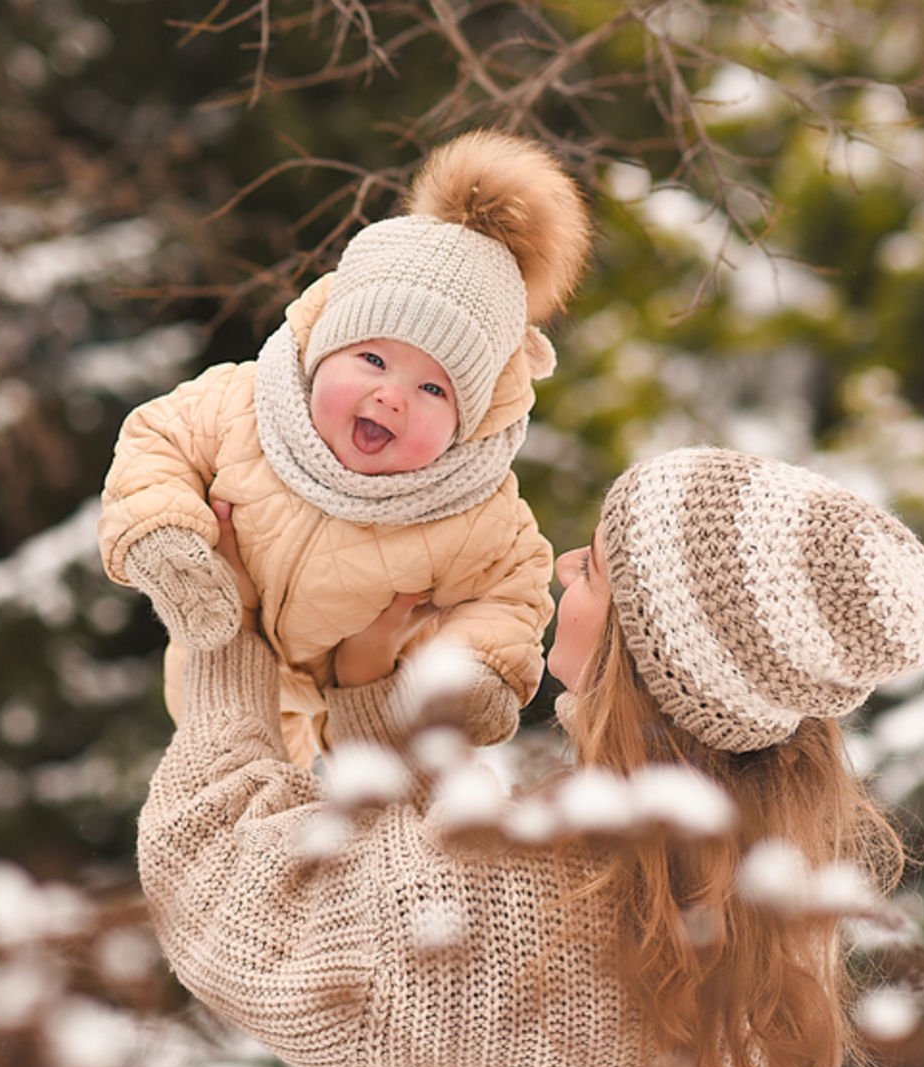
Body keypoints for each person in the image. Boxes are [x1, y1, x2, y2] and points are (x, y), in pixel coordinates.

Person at [137, 447, 924, 1067]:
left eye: (594, 567)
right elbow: (437, 963)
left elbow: (209, 885)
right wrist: (378, 702)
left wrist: (224, 630)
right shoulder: (743, 923)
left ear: (642, 657)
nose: (565, 565)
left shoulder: (540, 904)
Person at [96, 130, 592, 765]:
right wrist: (167, 538)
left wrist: (471, 674)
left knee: (329, 827)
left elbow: (510, 593)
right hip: (210, 663)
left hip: (361, 714)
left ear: (468, 423)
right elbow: (156, 440)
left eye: (434, 388)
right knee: (229, 800)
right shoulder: (242, 405)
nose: (392, 396)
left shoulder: (473, 510)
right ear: (323, 347)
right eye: (373, 358)